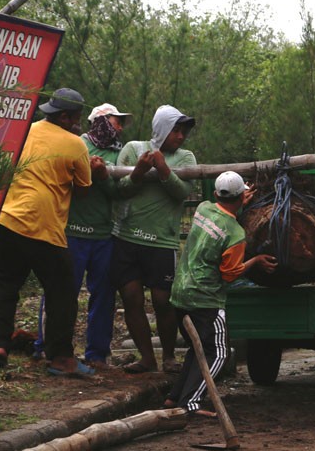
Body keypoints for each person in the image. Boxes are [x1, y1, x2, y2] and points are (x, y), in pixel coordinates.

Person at [0, 88, 107, 376]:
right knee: (62, 292)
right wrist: (92, 173)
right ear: (65, 117)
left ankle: (0, 346)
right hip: (43, 225)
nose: (79, 122)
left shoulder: (26, 131)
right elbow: (82, 190)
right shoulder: (75, 145)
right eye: (76, 117)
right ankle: (61, 358)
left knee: (5, 286)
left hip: (7, 219)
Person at [165, 171, 277, 416]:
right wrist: (256, 260)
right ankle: (190, 404)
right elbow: (230, 274)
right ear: (241, 197)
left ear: (216, 194)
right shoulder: (235, 234)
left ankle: (175, 398)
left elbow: (223, 210)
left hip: (180, 291)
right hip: (205, 299)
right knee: (218, 353)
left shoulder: (203, 208)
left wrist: (237, 200)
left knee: (198, 349)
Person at [111, 104, 197, 374]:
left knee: (163, 300)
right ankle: (147, 358)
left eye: (184, 132)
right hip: (127, 237)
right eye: (175, 130)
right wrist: (137, 173)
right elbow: (120, 190)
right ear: (161, 129)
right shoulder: (133, 149)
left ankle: (169, 357)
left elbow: (182, 193)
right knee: (131, 297)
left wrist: (163, 169)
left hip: (162, 241)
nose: (181, 136)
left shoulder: (185, 158)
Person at [63, 103, 132, 368]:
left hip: (103, 234)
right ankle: (54, 348)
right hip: (72, 231)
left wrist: (103, 177)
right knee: (62, 291)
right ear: (101, 121)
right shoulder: (77, 145)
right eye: (116, 121)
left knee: (104, 295)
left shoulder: (119, 153)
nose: (120, 128)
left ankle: (97, 354)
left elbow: (118, 192)